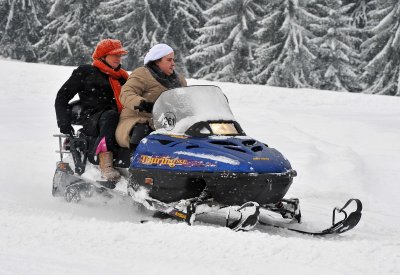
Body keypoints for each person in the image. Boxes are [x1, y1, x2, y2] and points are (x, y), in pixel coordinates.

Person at [55, 39, 129, 181]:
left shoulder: (122, 78)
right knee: (111, 115)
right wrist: (63, 123)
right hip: (93, 117)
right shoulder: (86, 72)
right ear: (102, 56)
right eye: (114, 55)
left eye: (119, 55)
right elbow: (62, 97)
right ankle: (105, 163)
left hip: (118, 116)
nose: (118, 58)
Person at [116, 43, 187, 149]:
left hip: (167, 122)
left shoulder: (179, 80)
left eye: (173, 60)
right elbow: (126, 93)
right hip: (137, 119)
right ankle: (134, 159)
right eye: (169, 60)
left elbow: (186, 100)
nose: (173, 64)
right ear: (156, 61)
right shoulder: (142, 74)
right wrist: (143, 104)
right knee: (143, 129)